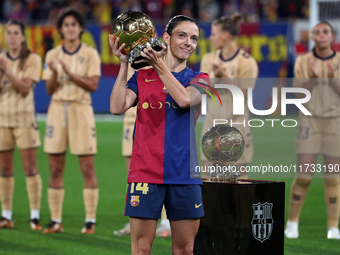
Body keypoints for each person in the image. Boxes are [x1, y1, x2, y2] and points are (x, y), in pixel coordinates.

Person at [109, 15, 208, 254]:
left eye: (193, 38)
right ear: (166, 37)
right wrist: (124, 64)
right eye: (182, 35)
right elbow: (116, 107)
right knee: (141, 248)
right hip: (145, 172)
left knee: (184, 248)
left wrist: (158, 64)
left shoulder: (201, 79)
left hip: (184, 173)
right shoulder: (142, 77)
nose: (188, 43)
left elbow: (184, 100)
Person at [41, 7, 101, 234]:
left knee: (87, 167)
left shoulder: (90, 53)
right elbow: (48, 89)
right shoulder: (51, 55)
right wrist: (56, 73)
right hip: (57, 110)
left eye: (73, 24)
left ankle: (90, 220)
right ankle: (56, 220)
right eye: (65, 25)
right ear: (60, 29)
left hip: (81, 109)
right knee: (55, 167)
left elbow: (93, 85)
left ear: (80, 28)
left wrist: (68, 71)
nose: (70, 28)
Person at [285, 21, 340, 239]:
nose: (320, 35)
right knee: (304, 175)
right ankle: (292, 223)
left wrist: (332, 80)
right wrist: (314, 80)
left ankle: (333, 227)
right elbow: (298, 94)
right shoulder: (303, 61)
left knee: (333, 177)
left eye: (325, 31)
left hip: (335, 121)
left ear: (332, 36)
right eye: (316, 32)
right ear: (312, 37)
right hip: (309, 122)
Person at [113, 68, 171, 238]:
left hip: (153, 115)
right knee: (132, 173)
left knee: (159, 169)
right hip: (130, 115)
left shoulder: (159, 52)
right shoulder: (129, 52)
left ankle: (165, 222)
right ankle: (135, 219)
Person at [200, 13, 258, 176]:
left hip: (236, 125)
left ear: (225, 36)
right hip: (211, 125)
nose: (210, 38)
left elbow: (244, 95)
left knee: (237, 183)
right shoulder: (208, 59)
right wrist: (215, 78)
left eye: (213, 34)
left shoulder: (246, 62)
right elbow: (202, 90)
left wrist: (224, 77)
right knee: (208, 182)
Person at [0, 20, 42, 230]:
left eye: (16, 32)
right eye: (9, 33)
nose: (12, 37)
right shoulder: (0, 59)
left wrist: (7, 72)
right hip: (2, 120)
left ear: (23, 37)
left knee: (30, 168)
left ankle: (34, 214)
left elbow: (25, 88)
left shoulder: (32, 59)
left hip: (25, 120)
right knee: (5, 169)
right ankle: (6, 214)